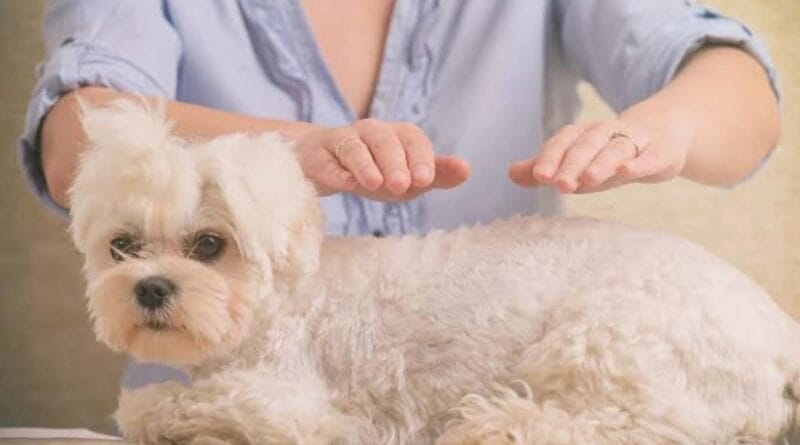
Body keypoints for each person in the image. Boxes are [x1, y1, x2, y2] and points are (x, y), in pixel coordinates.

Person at [19, 1, 780, 389]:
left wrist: (670, 127)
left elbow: (742, 94)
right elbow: (73, 139)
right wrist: (286, 154)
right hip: (223, 413)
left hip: (503, 408)